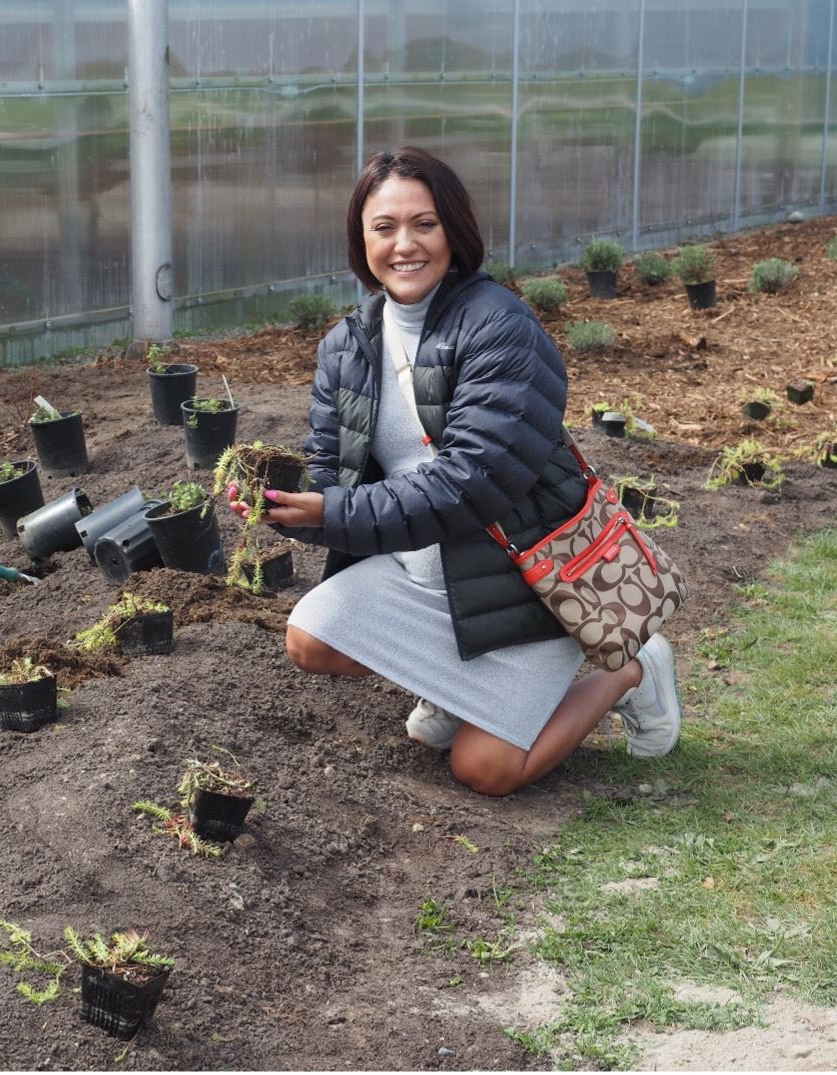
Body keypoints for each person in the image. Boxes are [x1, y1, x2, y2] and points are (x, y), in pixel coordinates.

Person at [227, 146, 681, 797]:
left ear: (455, 232)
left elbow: (471, 482)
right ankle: (454, 683)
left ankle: (626, 673)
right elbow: (334, 483)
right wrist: (289, 509)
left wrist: (332, 512)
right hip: (421, 574)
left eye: (425, 224)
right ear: (362, 239)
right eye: (384, 227)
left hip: (522, 579)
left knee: (485, 769)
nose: (404, 244)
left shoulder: (499, 326)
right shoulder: (346, 345)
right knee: (310, 637)